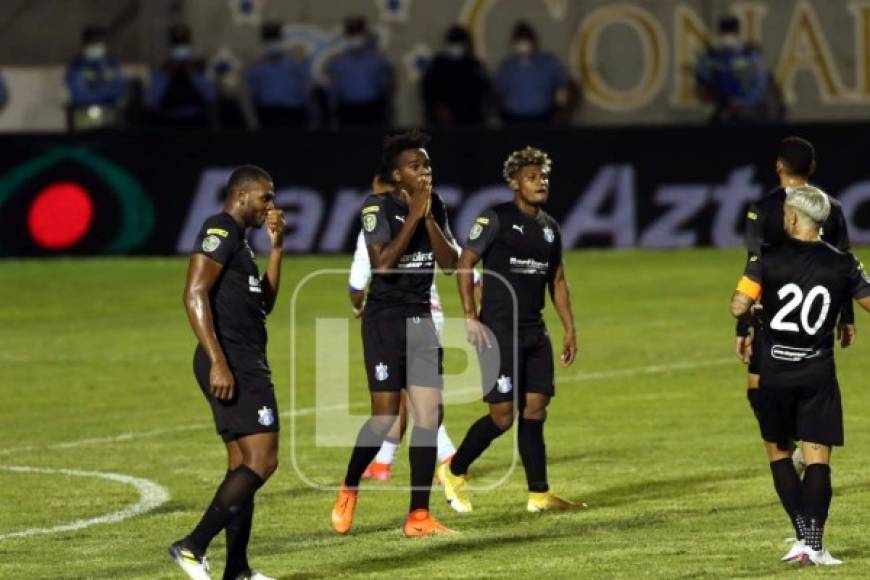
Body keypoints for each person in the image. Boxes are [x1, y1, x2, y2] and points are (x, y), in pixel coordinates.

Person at [730, 185, 870, 566]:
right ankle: (816, 544)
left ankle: (801, 536)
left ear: (792, 216)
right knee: (818, 458)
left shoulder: (766, 257)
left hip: (774, 374)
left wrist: (755, 313)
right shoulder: (844, 262)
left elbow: (738, 304)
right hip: (817, 372)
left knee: (779, 454)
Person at [330, 130, 458, 537]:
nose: (425, 171)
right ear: (396, 175)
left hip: (421, 318)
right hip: (384, 321)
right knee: (385, 419)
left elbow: (452, 263)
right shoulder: (375, 208)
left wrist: (429, 218)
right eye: (415, 166)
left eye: (427, 164)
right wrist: (414, 217)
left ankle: (418, 515)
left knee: (426, 417)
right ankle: (349, 487)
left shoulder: (434, 205)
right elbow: (382, 264)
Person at [440, 146, 580, 513]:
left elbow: (559, 280)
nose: (541, 183)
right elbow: (465, 264)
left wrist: (569, 328)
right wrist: (470, 315)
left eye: (544, 177)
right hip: (497, 332)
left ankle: (539, 495)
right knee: (503, 416)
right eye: (532, 178)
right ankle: (454, 471)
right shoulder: (495, 219)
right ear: (514, 183)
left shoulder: (550, 229)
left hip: (535, 332)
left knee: (535, 410)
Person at [170, 166, 283, 580]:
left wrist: (278, 249)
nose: (270, 206)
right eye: (265, 198)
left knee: (241, 467)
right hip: (232, 360)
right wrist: (218, 359)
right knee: (263, 461)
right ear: (241, 196)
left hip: (243, 356)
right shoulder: (220, 228)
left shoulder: (243, 245)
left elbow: (263, 305)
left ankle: (237, 570)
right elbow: (194, 292)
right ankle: (192, 546)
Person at [349, 177, 481, 481]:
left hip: (402, 319)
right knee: (415, 401)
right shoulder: (413, 216)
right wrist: (477, 288)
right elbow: (463, 265)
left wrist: (358, 307)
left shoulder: (377, 230)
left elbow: (357, 284)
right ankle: (384, 462)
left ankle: (447, 457)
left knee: (410, 403)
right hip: (430, 316)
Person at [736, 137, 854, 471]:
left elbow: (753, 263)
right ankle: (802, 445)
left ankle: (786, 446)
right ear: (812, 167)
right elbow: (843, 264)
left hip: (772, 315)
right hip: (817, 313)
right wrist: (846, 317)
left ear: (778, 165)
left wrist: (743, 324)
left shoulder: (764, 208)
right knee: (812, 379)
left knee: (759, 386)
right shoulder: (830, 207)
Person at [694, 16, 774, 124]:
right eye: (725, 32)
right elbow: (702, 80)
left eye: (730, 32)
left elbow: (760, 85)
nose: (727, 37)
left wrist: (743, 102)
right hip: (722, 111)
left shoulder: (749, 54)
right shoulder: (712, 55)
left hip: (748, 114)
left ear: (737, 33)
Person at [494, 22, 576, 125]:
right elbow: (497, 93)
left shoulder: (548, 63)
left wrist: (563, 113)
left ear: (533, 41)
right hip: (513, 121)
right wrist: (501, 115)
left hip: (543, 120)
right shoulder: (506, 67)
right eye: (519, 41)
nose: (523, 46)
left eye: (526, 41)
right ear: (513, 43)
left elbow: (568, 84)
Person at [146, 24, 218, 128]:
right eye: (176, 50)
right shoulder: (163, 71)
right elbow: (151, 101)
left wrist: (193, 75)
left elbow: (211, 97)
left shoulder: (198, 69)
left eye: (183, 49)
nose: (180, 55)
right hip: (169, 123)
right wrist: (168, 75)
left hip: (195, 122)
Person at [326, 16, 393, 127]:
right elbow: (333, 90)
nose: (356, 38)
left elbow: (386, 89)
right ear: (347, 36)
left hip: (372, 111)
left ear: (364, 35)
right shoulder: (338, 62)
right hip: (346, 111)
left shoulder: (377, 61)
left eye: (358, 34)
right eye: (352, 34)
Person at [246, 22, 312, 128]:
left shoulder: (295, 62)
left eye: (274, 38)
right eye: (271, 39)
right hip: (271, 114)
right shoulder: (256, 66)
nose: (273, 43)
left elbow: (305, 88)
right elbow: (253, 92)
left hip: (292, 113)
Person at [421, 25, 490, 127]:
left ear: (466, 45)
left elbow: (484, 93)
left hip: (471, 125)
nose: (455, 47)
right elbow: (427, 91)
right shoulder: (438, 65)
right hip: (442, 127)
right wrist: (437, 108)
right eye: (452, 43)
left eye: (459, 43)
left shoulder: (474, 66)